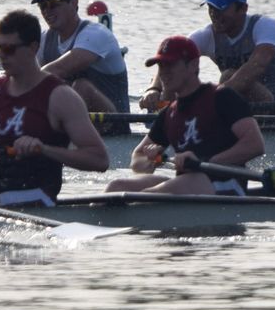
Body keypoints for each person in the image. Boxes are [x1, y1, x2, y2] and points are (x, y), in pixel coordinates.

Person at [0, 9, 110, 207]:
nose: (1, 56)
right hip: (0, 183)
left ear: (33, 48)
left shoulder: (60, 96)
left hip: (39, 190)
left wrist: (44, 149)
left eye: (9, 49)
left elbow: (99, 159)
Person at [110, 36, 265, 196]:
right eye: (161, 66)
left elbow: (255, 144)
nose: (164, 73)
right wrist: (149, 161)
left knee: (154, 193)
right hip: (188, 184)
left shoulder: (222, 97)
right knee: (116, 187)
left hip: (226, 184)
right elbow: (137, 157)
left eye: (170, 65)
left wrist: (204, 161)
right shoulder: (169, 113)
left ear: (193, 65)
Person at [143, 0, 275, 108]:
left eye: (221, 8)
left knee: (228, 75)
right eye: (211, 7)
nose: (214, 14)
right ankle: (165, 129)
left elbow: (255, 67)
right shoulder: (207, 35)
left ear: (242, 8)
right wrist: (154, 89)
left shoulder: (266, 27)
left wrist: (209, 100)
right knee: (177, 77)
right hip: (241, 118)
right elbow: (169, 59)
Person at [31, 0, 129, 117]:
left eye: (53, 4)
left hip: (116, 126)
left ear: (73, 3)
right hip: (73, 121)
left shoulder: (96, 34)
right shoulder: (44, 39)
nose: (47, 10)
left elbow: (59, 69)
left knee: (81, 86)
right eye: (43, 6)